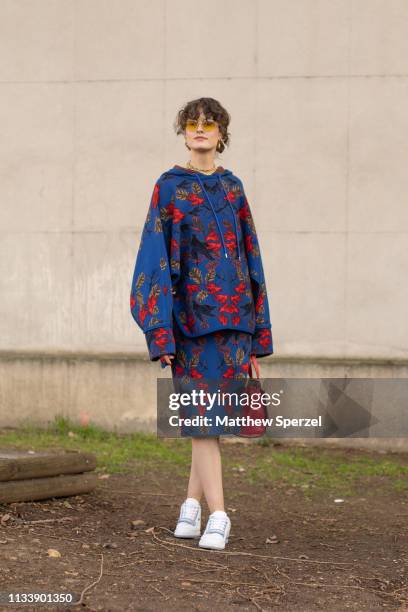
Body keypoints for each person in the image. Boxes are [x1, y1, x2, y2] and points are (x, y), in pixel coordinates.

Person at [130, 97, 273, 550]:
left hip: (236, 325)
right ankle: (219, 516)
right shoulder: (169, 187)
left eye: (208, 125)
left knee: (205, 420)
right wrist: (159, 329)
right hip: (189, 323)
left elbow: (253, 257)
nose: (199, 130)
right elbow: (152, 257)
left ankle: (190, 510)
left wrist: (258, 338)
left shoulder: (234, 189)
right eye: (191, 124)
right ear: (183, 132)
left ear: (221, 134)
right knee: (203, 420)